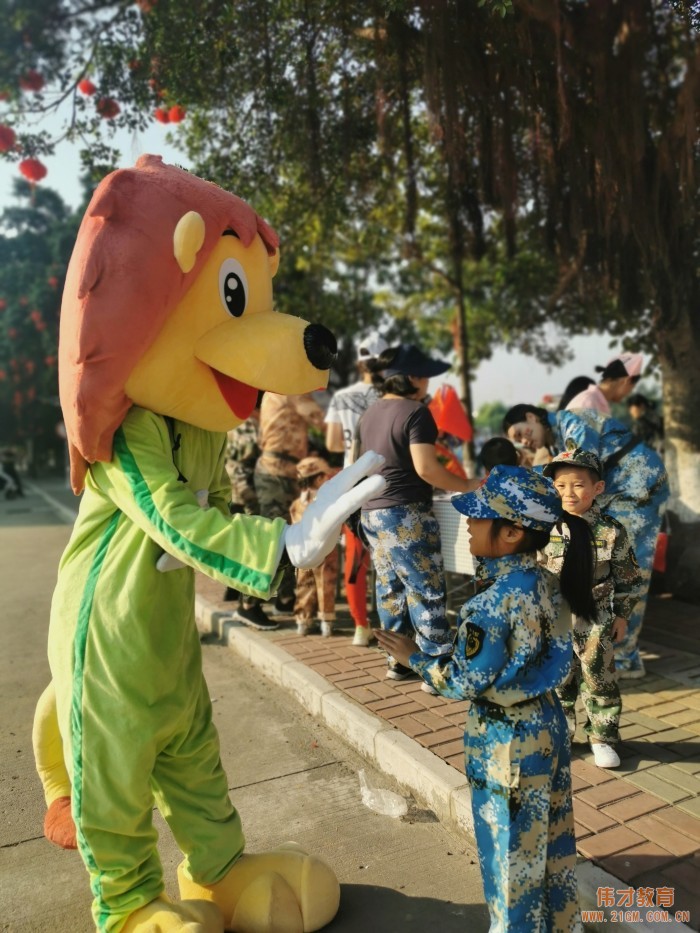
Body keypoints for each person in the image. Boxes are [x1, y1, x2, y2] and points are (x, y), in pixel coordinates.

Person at [377, 465, 595, 932]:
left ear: (512, 532)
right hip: (548, 725)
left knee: (509, 855)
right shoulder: (549, 585)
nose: (470, 526)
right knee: (552, 840)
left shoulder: (489, 605)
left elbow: (463, 681)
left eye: (479, 517)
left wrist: (416, 658)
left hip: (506, 740)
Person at [503, 402, 669, 678]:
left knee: (628, 568)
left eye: (521, 432)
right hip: (620, 492)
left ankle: (626, 658)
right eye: (518, 440)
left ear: (531, 417)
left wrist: (526, 475)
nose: (524, 440)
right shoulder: (559, 436)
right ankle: (607, 651)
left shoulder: (572, 421)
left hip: (635, 491)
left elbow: (581, 465)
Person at [357, 343, 479, 690]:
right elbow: (426, 468)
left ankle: (398, 662)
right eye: (424, 375)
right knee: (425, 589)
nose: (428, 383)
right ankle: (435, 668)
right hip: (406, 512)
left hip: (372, 510)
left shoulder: (369, 414)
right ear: (411, 378)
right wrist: (466, 483)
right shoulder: (416, 412)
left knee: (390, 589)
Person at [542, 449, 644, 769]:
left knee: (598, 678)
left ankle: (602, 738)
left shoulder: (611, 531)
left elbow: (628, 578)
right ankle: (560, 736)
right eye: (560, 486)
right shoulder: (544, 527)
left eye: (577, 485)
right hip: (553, 616)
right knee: (558, 679)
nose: (568, 493)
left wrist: (623, 616)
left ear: (597, 488)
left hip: (596, 615)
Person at [235, 390, 325, 630]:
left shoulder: (280, 390)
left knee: (286, 539)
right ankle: (247, 605)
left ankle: (285, 598)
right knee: (271, 541)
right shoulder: (289, 391)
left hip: (283, 472)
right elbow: (322, 420)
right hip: (276, 472)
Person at [325, 334, 387, 646]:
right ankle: (393, 626)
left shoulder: (342, 397)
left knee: (356, 557)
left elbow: (333, 443)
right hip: (388, 480)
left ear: (358, 362)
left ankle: (361, 626)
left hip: (352, 482)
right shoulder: (392, 396)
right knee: (388, 556)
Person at [290, 456, 339, 636]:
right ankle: (326, 620)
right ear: (318, 478)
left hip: (303, 550)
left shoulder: (298, 503)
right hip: (326, 549)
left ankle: (302, 620)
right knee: (325, 584)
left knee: (304, 584)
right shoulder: (324, 501)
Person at [222, 404, 261, 605]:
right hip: (245, 492)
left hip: (226, 490)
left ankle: (232, 587)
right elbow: (246, 462)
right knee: (249, 545)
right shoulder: (249, 426)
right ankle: (245, 599)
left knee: (233, 542)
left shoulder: (226, 422)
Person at [565, 352, 644, 414]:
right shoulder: (587, 404)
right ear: (626, 381)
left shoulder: (596, 403)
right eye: (631, 388)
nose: (629, 393)